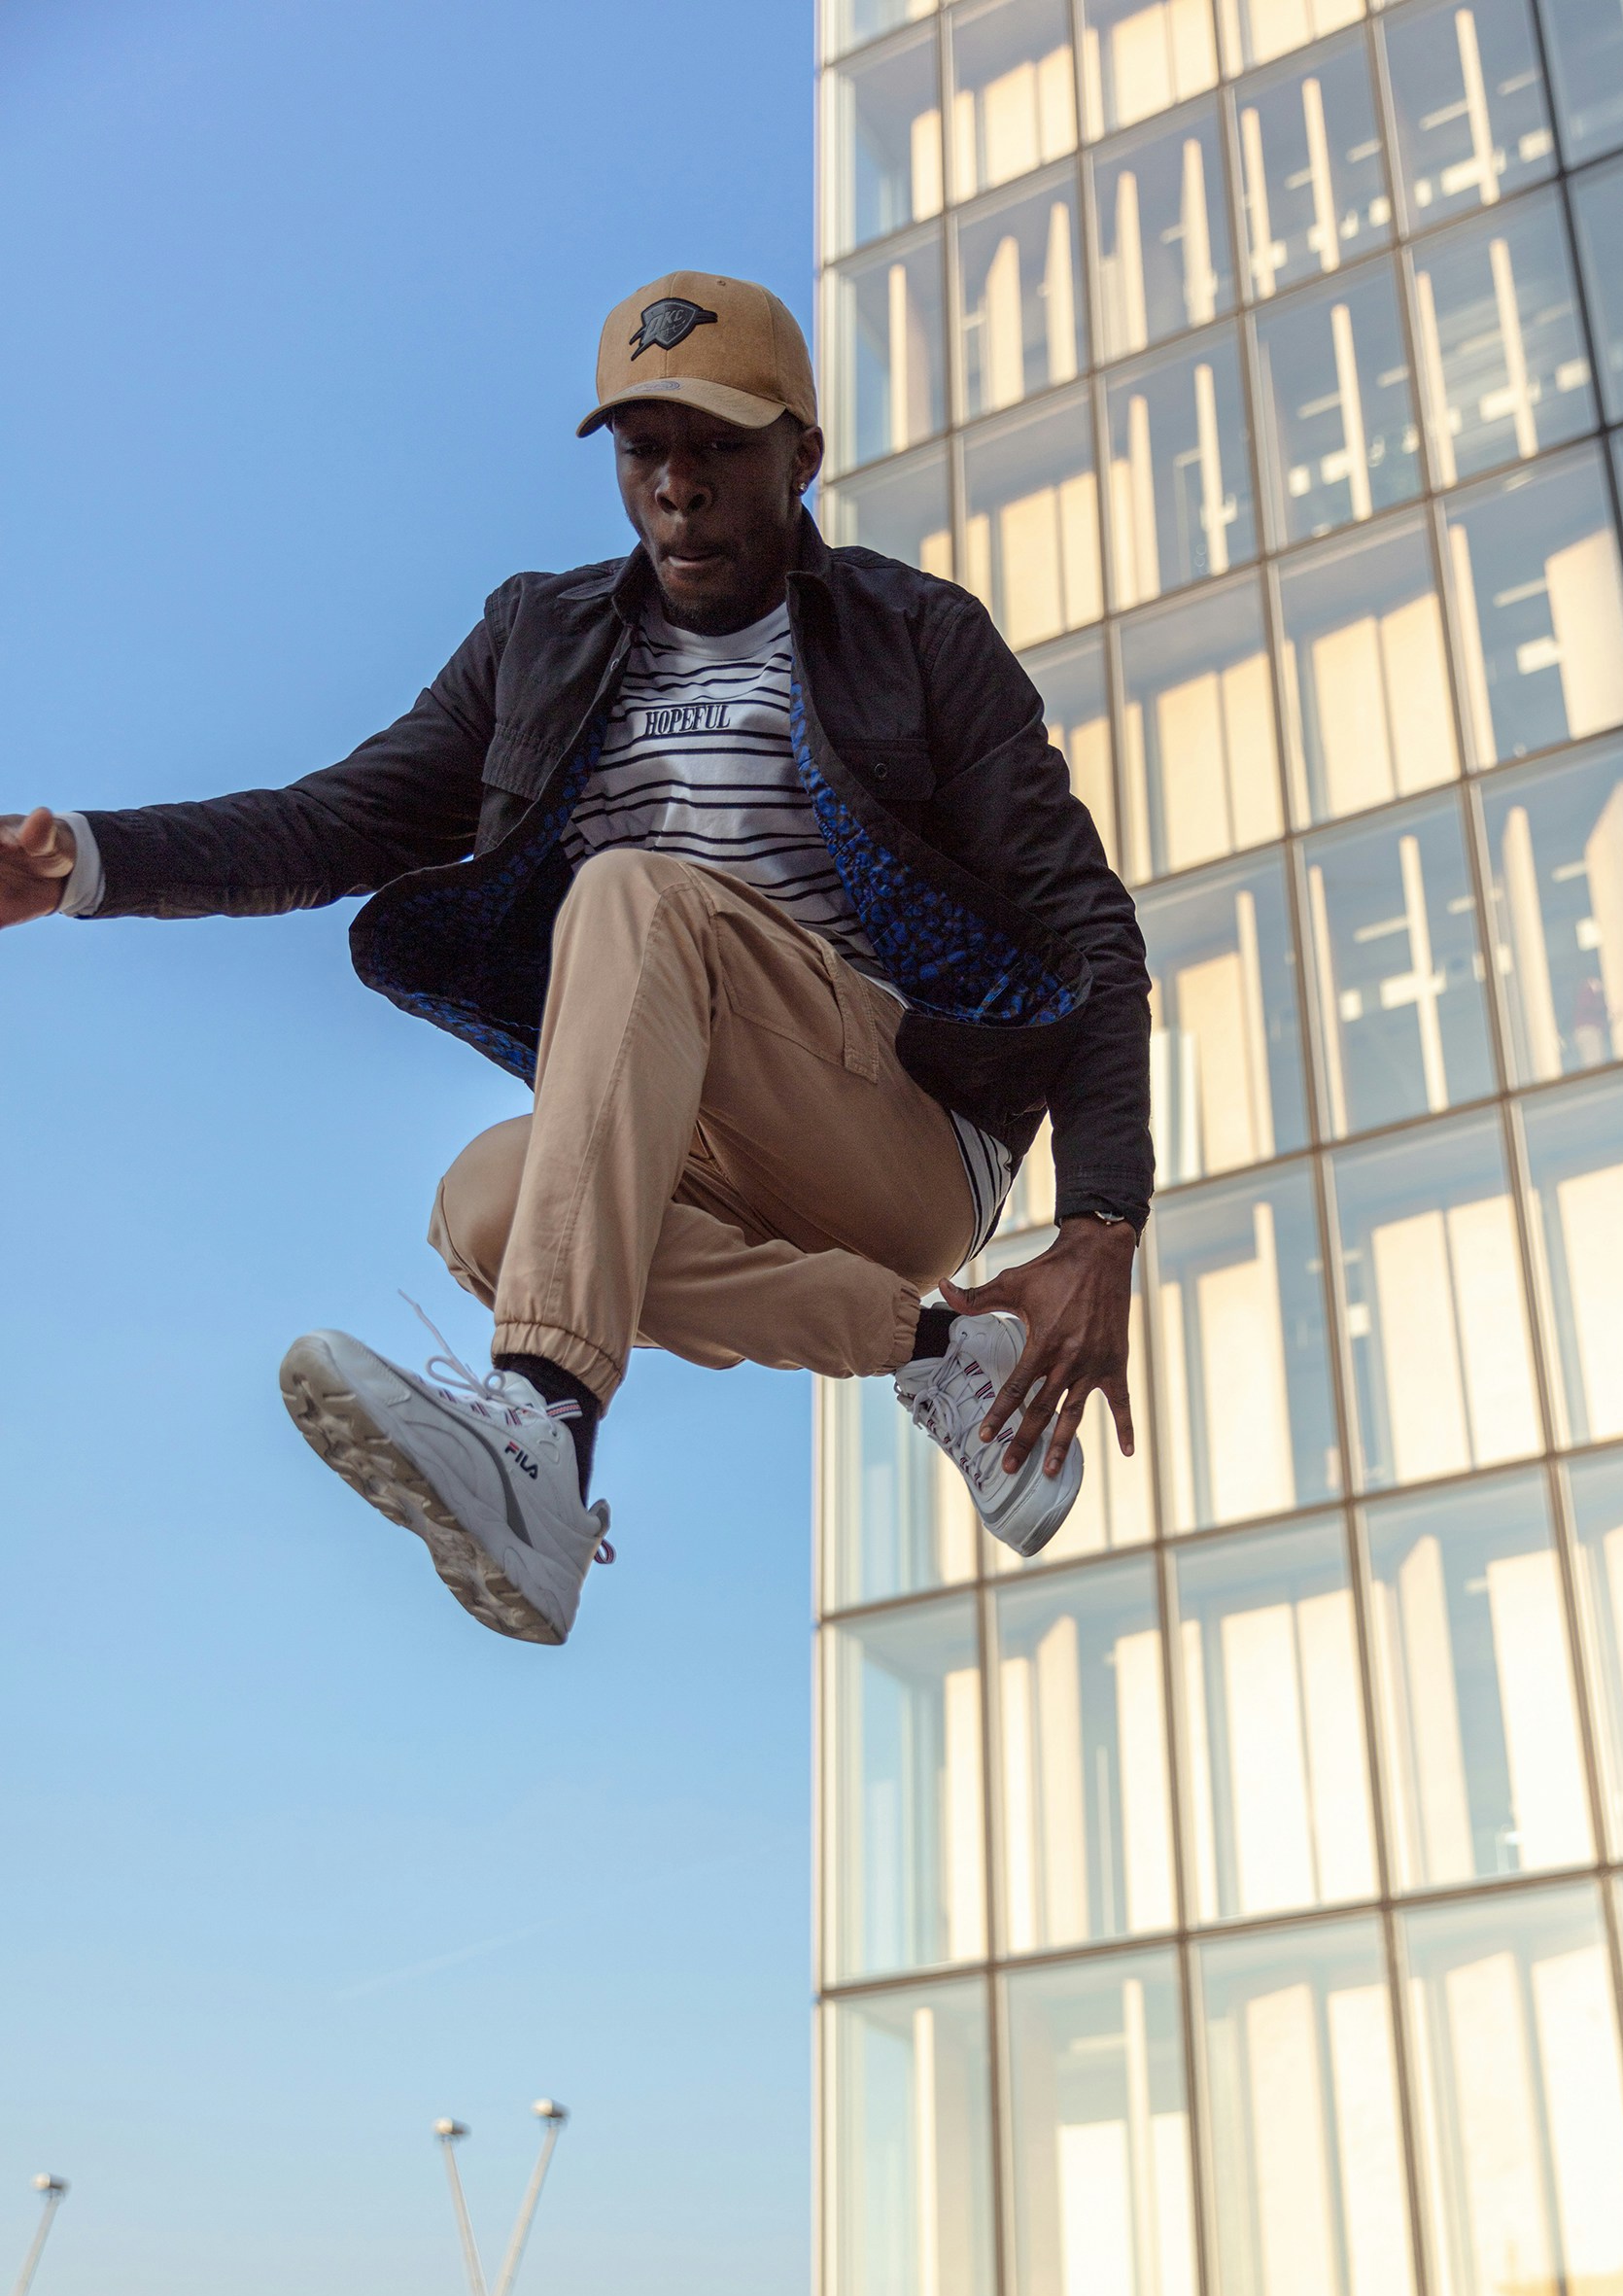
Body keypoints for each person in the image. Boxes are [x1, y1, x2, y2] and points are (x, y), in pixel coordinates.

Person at [0, 272, 1153, 1644]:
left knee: (633, 897)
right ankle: (944, 1353)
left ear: (803, 456)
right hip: (714, 1137)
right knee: (487, 1207)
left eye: (721, 449)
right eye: (645, 451)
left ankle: (545, 1444)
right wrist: (83, 857)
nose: (679, 489)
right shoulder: (540, 642)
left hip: (904, 1126)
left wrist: (1100, 1226)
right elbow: (341, 817)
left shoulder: (917, 638)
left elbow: (1085, 921)